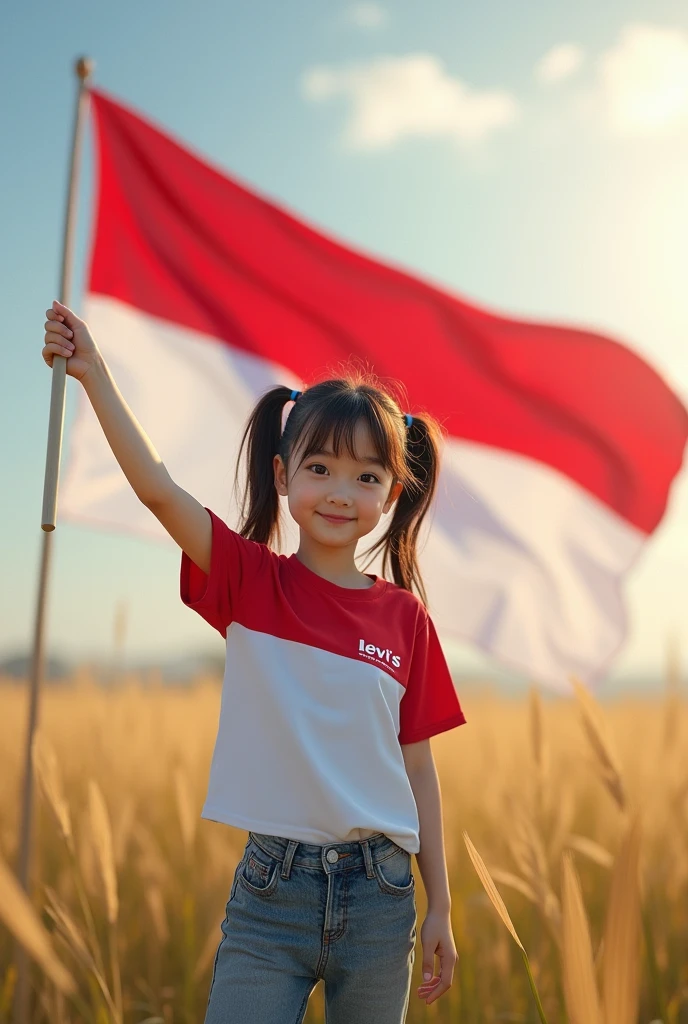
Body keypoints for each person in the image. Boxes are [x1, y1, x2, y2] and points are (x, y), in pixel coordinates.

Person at [42, 298, 467, 1024]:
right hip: (273, 897)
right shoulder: (249, 582)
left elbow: (419, 772)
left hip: (382, 900)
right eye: (321, 467)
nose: (341, 492)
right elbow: (156, 488)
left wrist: (441, 910)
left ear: (393, 494)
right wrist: (93, 375)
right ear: (283, 474)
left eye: (367, 478)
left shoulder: (405, 619)